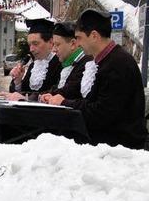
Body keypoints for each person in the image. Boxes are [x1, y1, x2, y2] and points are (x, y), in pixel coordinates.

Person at [47, 9, 147, 149]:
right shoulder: (109, 60)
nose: (78, 43)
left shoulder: (117, 64)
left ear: (94, 36)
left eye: (79, 38)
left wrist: (65, 102)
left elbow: (101, 113)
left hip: (120, 147)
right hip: (111, 141)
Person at [7, 18, 62, 101]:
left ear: (51, 42)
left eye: (35, 44)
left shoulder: (59, 63)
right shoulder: (33, 65)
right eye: (30, 44)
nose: (31, 49)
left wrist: (28, 98)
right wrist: (18, 81)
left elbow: (56, 93)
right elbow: (22, 92)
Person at [40, 22, 92, 105]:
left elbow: (69, 90)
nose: (54, 49)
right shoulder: (68, 64)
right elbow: (56, 89)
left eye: (57, 44)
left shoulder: (86, 63)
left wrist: (47, 96)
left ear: (73, 44)